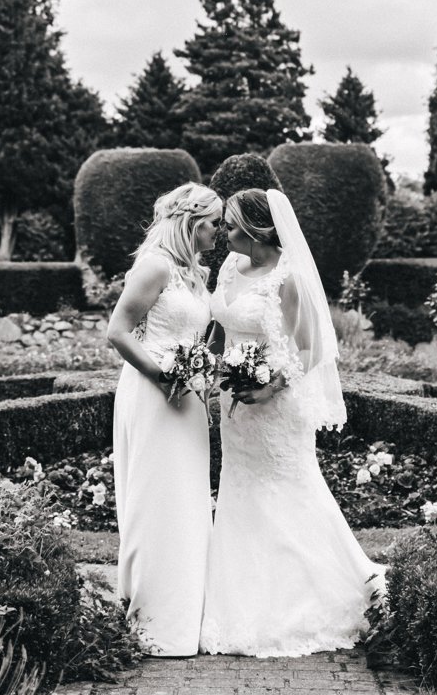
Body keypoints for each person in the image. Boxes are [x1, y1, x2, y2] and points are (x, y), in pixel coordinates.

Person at [198, 187, 385, 656]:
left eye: (232, 225)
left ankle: (316, 599)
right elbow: (223, 330)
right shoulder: (228, 268)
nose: (224, 233)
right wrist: (213, 372)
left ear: (258, 229)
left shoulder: (289, 277)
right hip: (234, 405)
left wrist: (267, 386)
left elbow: (311, 350)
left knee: (290, 490)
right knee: (240, 491)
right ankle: (241, 598)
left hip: (275, 407)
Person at [104, 181, 223, 657]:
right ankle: (152, 617)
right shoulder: (154, 266)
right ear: (192, 222)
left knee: (187, 499)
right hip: (154, 394)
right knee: (156, 498)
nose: (219, 231)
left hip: (188, 396)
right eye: (214, 223)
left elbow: (196, 335)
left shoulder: (196, 272)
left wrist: (202, 372)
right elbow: (117, 331)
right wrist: (162, 375)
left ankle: (185, 613)